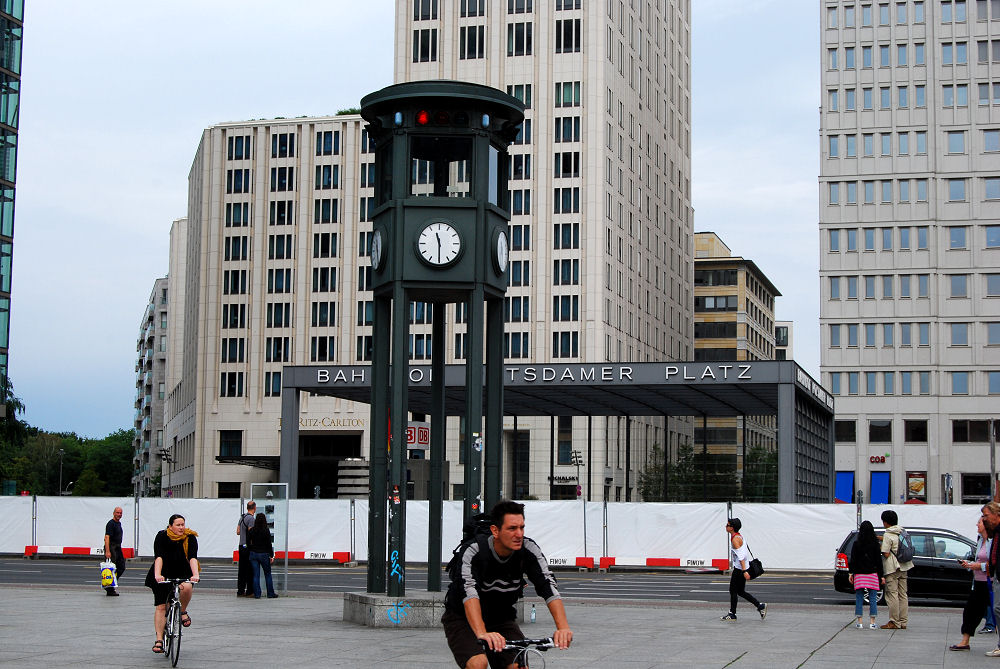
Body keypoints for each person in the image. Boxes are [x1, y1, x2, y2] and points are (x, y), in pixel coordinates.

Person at [442, 499, 572, 669]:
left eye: (522, 527)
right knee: (478, 664)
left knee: (517, 666)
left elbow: (547, 585)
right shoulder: (474, 551)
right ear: (495, 531)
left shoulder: (528, 549)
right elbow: (469, 592)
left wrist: (563, 628)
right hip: (463, 617)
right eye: (512, 528)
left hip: (501, 617)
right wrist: (482, 633)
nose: (519, 534)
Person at [145, 514, 200, 654]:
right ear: (170, 526)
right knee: (162, 606)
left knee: (187, 587)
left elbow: (193, 557)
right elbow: (159, 556)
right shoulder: (162, 536)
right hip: (163, 572)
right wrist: (158, 574)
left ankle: (183, 611)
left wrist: (195, 575)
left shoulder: (190, 537)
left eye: (183, 524)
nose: (182, 528)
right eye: (178, 525)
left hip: (182, 571)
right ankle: (159, 640)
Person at [950, 517, 993, 651]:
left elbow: (994, 563)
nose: (977, 524)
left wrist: (978, 566)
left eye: (979, 522)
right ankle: (965, 641)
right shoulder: (981, 540)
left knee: (996, 612)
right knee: (970, 611)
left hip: (992, 582)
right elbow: (978, 560)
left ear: (986, 524)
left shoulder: (993, 541)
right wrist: (969, 565)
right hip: (979, 582)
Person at [720, 518, 767, 621]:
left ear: (732, 528)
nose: (725, 526)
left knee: (733, 590)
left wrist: (745, 571)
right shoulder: (738, 536)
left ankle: (732, 614)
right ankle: (760, 606)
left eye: (727, 525)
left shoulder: (735, 539)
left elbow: (742, 556)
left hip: (740, 569)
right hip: (742, 568)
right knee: (740, 591)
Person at [879, 509, 914, 630]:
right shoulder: (902, 531)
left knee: (892, 594)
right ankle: (903, 622)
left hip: (892, 568)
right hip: (905, 565)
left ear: (886, 522)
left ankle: (894, 622)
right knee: (903, 594)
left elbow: (886, 553)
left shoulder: (888, 534)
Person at [848, 520, 884, 629]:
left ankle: (859, 622)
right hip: (872, 574)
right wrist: (881, 575)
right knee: (873, 598)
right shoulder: (875, 544)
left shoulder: (856, 544)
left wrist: (851, 573)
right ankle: (872, 622)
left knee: (859, 597)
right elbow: (879, 561)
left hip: (859, 574)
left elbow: (853, 560)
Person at [980, 501, 1000, 657]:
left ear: (996, 514)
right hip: (996, 575)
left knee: (997, 609)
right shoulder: (996, 531)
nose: (984, 519)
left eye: (986, 515)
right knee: (996, 609)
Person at [248, 512, 278, 599]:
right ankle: (270, 593)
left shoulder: (252, 530)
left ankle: (257, 594)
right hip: (264, 554)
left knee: (256, 575)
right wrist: (271, 555)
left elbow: (247, 542)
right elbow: (269, 543)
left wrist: (251, 549)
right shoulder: (266, 530)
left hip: (254, 553)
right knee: (267, 574)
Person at [103, 506, 126, 597]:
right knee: (111, 569)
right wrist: (108, 551)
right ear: (114, 513)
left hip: (118, 547)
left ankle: (110, 585)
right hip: (112, 547)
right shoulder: (111, 523)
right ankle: (110, 589)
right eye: (117, 513)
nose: (119, 515)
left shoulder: (118, 523)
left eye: (120, 513)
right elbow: (107, 537)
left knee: (121, 567)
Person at [236, 501, 256, 597]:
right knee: (249, 569)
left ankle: (240, 591)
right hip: (248, 546)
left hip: (241, 545)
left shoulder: (242, 517)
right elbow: (251, 533)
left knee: (242, 570)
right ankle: (249, 591)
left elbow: (238, 531)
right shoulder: (251, 519)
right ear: (254, 508)